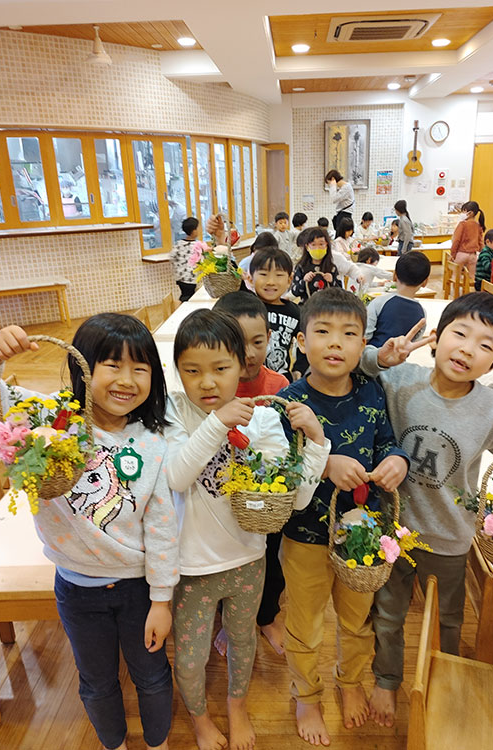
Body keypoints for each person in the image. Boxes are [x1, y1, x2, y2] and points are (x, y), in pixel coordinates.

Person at [360, 293, 493, 729]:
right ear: (437, 336)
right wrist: (379, 358)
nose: (467, 349)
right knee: (387, 613)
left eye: (485, 345)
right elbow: (352, 371)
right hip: (392, 529)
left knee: (449, 619)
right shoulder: (400, 379)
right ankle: (386, 679)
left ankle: (445, 677)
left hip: (449, 536)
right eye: (460, 333)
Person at [0, 315, 179, 750]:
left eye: (140, 368)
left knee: (152, 675)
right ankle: (113, 743)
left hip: (137, 589)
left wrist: (162, 600)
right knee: (96, 682)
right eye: (112, 365)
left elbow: (162, 528)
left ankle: (158, 743)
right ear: (83, 368)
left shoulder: (153, 442)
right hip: (76, 590)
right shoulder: (51, 417)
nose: (127, 380)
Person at [165, 309, 330, 750]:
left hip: (248, 561)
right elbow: (177, 476)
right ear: (177, 370)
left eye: (220, 368)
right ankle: (200, 719)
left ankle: (237, 707)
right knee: (191, 656)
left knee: (242, 642)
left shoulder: (262, 420)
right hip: (192, 567)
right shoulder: (174, 412)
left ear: (241, 366)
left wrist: (316, 444)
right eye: (192, 370)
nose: (207, 382)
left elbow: (294, 500)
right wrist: (219, 423)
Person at [277, 287, 409, 747]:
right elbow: (278, 471)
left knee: (357, 620)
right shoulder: (289, 402)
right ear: (301, 341)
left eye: (349, 334)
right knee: (305, 623)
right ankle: (307, 695)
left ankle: (350, 681)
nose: (336, 342)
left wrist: (397, 460)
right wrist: (324, 462)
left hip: (362, 538)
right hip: (304, 536)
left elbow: (386, 440)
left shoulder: (372, 391)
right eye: (323, 332)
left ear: (363, 345)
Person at [212, 292, 290, 658]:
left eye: (257, 342)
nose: (248, 353)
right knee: (226, 564)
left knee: (270, 560)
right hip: (221, 497)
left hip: (267, 498)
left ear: (269, 338)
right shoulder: (212, 389)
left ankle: (267, 616)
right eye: (236, 343)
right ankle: (230, 621)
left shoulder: (279, 387)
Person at [250, 247, 301, 381]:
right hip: (250, 381)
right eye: (263, 274)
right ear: (250, 278)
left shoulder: (294, 312)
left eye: (279, 275)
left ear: (289, 280)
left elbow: (307, 342)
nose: (271, 282)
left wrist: (299, 368)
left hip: (281, 381)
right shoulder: (246, 307)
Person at [364, 251, 430, 347]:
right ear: (425, 282)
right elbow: (414, 342)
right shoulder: (422, 313)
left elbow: (365, 335)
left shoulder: (379, 302)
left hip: (373, 354)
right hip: (401, 356)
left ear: (394, 276)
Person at [291, 227, 341, 303]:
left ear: (327, 246)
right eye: (313, 245)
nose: (317, 248)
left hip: (327, 307)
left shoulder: (332, 268)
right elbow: (295, 292)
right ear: (307, 247)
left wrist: (332, 281)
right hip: (307, 306)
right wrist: (304, 281)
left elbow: (340, 293)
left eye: (321, 244)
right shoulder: (301, 267)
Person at [450, 201, 486, 277]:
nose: (462, 213)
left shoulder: (462, 224)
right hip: (473, 255)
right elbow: (481, 242)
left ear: (470, 213)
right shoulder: (478, 226)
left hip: (461, 254)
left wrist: (453, 254)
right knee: (471, 278)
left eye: (464, 211)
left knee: (456, 277)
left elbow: (456, 240)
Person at [169, 216, 200, 302]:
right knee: (189, 297)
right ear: (193, 231)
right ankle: (184, 309)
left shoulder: (178, 243)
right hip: (191, 278)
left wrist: (178, 268)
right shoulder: (197, 245)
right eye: (197, 228)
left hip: (180, 278)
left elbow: (172, 256)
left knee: (185, 295)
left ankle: (182, 306)